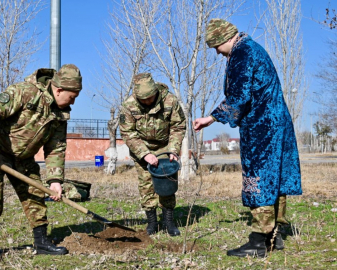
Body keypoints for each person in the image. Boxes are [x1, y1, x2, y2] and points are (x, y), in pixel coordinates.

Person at [193, 19, 302, 257]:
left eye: (215, 46)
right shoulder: (254, 48)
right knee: (275, 177)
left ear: (224, 39)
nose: (216, 53)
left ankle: (258, 242)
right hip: (277, 121)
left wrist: (210, 119)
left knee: (259, 177)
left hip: (262, 125)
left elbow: (239, 96)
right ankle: (275, 235)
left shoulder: (242, 52)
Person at [0, 64, 83, 261]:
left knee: (35, 196)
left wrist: (55, 180)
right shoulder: (25, 92)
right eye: (72, 97)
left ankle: (41, 242)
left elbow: (56, 147)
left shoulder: (60, 115)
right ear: (59, 90)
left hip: (23, 159)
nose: (73, 102)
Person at [119, 73, 186, 236]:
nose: (148, 102)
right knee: (146, 185)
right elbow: (128, 133)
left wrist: (173, 149)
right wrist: (144, 153)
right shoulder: (128, 106)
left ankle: (169, 222)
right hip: (142, 149)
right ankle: (152, 223)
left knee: (167, 184)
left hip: (165, 147)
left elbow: (178, 126)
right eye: (144, 99)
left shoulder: (170, 100)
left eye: (151, 97)